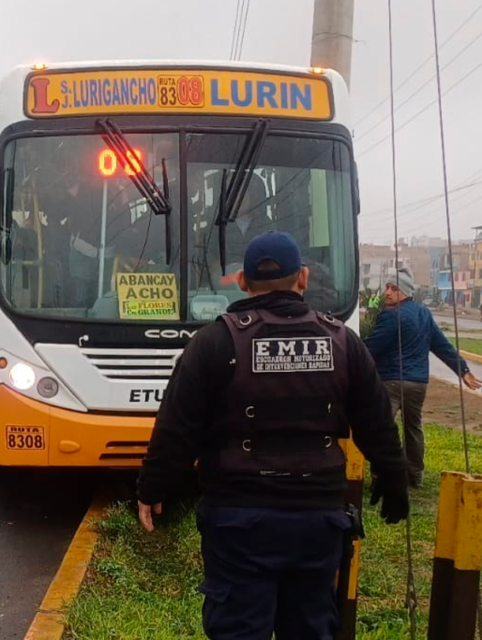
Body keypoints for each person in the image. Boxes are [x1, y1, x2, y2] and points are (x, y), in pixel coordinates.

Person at [137, 231, 409, 639]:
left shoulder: (214, 342)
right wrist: (393, 477)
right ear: (302, 278)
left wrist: (153, 486)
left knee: (238, 629)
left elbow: (178, 425)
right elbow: (377, 421)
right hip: (318, 520)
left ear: (243, 282)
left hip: (238, 520)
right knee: (311, 626)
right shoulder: (342, 342)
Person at [364, 268, 481, 488]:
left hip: (391, 382)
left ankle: (383, 476)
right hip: (418, 384)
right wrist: (462, 370)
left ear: (405, 292)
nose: (387, 292)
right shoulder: (424, 314)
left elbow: (371, 348)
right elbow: (442, 346)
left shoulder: (390, 316)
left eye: (394, 288)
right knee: (413, 428)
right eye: (387, 287)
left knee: (382, 429)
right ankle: (414, 476)